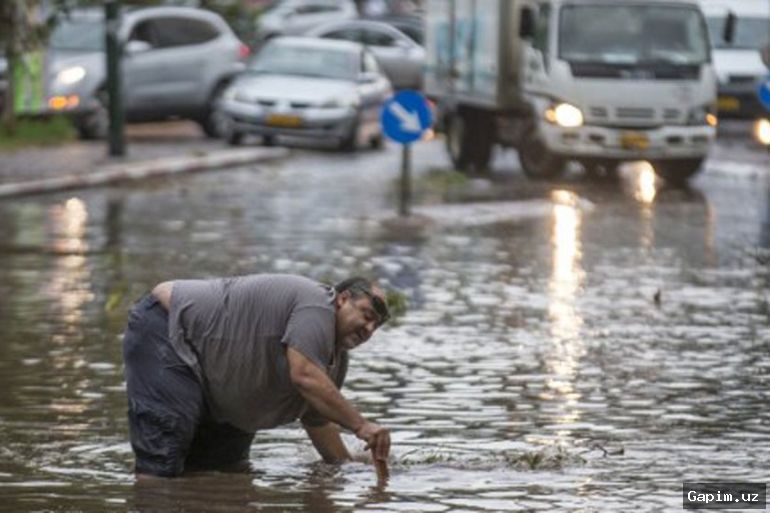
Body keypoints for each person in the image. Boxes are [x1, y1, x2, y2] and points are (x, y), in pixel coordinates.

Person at [122, 273, 391, 477]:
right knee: (164, 455)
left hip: (222, 380)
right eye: (366, 315)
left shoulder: (335, 363)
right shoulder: (319, 304)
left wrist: (352, 470)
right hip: (167, 328)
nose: (368, 329)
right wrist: (361, 426)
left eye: (375, 326)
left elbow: (318, 422)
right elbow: (304, 375)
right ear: (342, 299)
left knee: (226, 472)